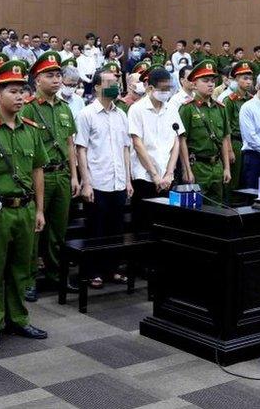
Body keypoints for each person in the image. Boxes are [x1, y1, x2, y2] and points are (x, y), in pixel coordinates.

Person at [0, 60, 49, 352]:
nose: (19, 97)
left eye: (22, 91)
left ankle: (17, 319)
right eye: (13, 91)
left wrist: (39, 210)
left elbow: (38, 170)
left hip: (25, 209)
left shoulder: (31, 129)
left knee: (21, 269)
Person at [20, 51, 78, 301]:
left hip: (63, 175)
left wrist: (75, 176)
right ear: (37, 80)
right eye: (50, 75)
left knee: (58, 230)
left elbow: (70, 144)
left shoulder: (66, 109)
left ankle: (56, 275)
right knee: (35, 230)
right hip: (39, 176)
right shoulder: (30, 108)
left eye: (58, 75)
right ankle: (29, 279)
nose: (56, 80)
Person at [76, 68, 132, 288]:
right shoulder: (87, 114)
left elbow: (126, 149)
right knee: (96, 230)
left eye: (116, 81)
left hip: (118, 180)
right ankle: (93, 271)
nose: (115, 85)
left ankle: (113, 269)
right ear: (98, 86)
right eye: (109, 82)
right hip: (97, 181)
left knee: (116, 229)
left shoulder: (122, 114)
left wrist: (127, 180)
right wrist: (86, 182)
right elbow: (81, 149)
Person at [129, 67, 183, 206]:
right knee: (143, 221)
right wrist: (155, 175)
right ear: (150, 88)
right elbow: (137, 144)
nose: (166, 92)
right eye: (163, 89)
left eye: (168, 88)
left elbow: (176, 140)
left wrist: (170, 173)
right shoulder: (137, 109)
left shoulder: (171, 109)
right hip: (144, 176)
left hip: (167, 176)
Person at [178, 60, 231, 203]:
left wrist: (226, 168)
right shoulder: (187, 108)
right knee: (197, 210)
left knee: (217, 208)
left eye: (213, 80)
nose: (211, 84)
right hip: (197, 166)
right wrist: (186, 170)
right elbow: (182, 140)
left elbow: (225, 138)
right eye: (205, 80)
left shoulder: (220, 108)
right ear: (194, 84)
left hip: (217, 165)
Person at [221, 61, 252, 199]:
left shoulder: (251, 99)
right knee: (233, 179)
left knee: (246, 179)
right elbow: (225, 127)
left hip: (250, 143)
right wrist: (229, 150)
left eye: (250, 78)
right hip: (235, 142)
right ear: (236, 79)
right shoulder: (230, 100)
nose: (248, 81)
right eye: (245, 78)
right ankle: (229, 206)